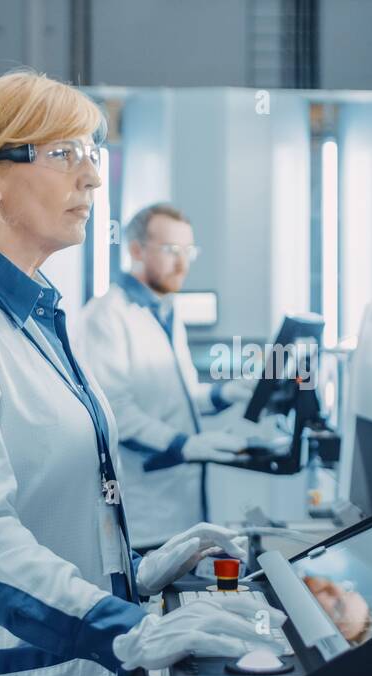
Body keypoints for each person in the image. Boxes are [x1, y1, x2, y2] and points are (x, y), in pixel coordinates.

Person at [0, 70, 284, 676]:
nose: (91, 178)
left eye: (94, 154)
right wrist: (129, 628)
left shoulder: (35, 313)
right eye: (63, 154)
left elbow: (48, 512)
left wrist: (134, 572)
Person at [79, 203, 256, 550]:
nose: (183, 262)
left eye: (189, 251)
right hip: (143, 516)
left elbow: (179, 397)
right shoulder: (106, 316)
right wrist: (183, 445)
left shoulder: (166, 311)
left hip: (182, 509)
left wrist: (225, 395)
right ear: (136, 251)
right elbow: (115, 414)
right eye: (172, 250)